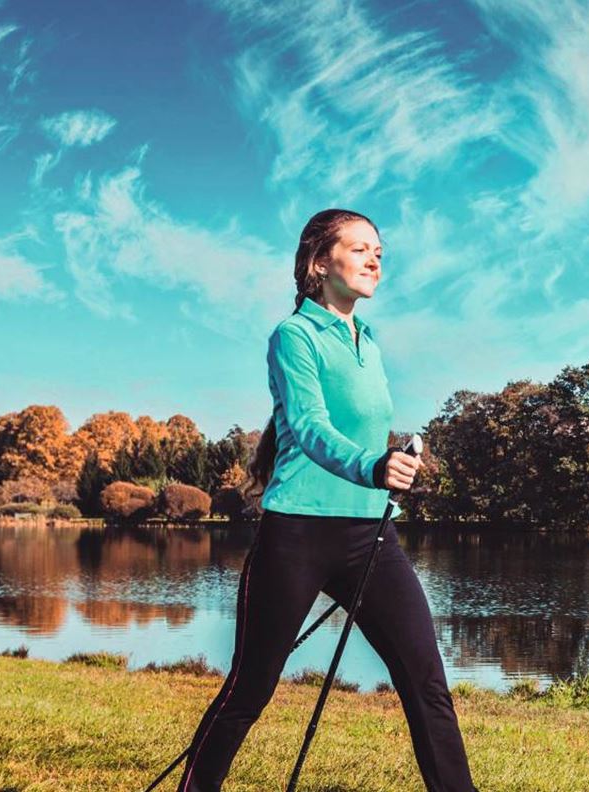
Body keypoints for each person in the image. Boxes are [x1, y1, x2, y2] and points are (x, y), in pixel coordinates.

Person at [176, 208, 477, 792]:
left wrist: (395, 461)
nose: (374, 261)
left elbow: (360, 428)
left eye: (379, 253)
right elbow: (311, 426)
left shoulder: (371, 340)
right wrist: (372, 464)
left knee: (425, 682)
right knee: (252, 686)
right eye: (360, 248)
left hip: (371, 534)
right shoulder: (294, 337)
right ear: (319, 263)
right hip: (297, 535)